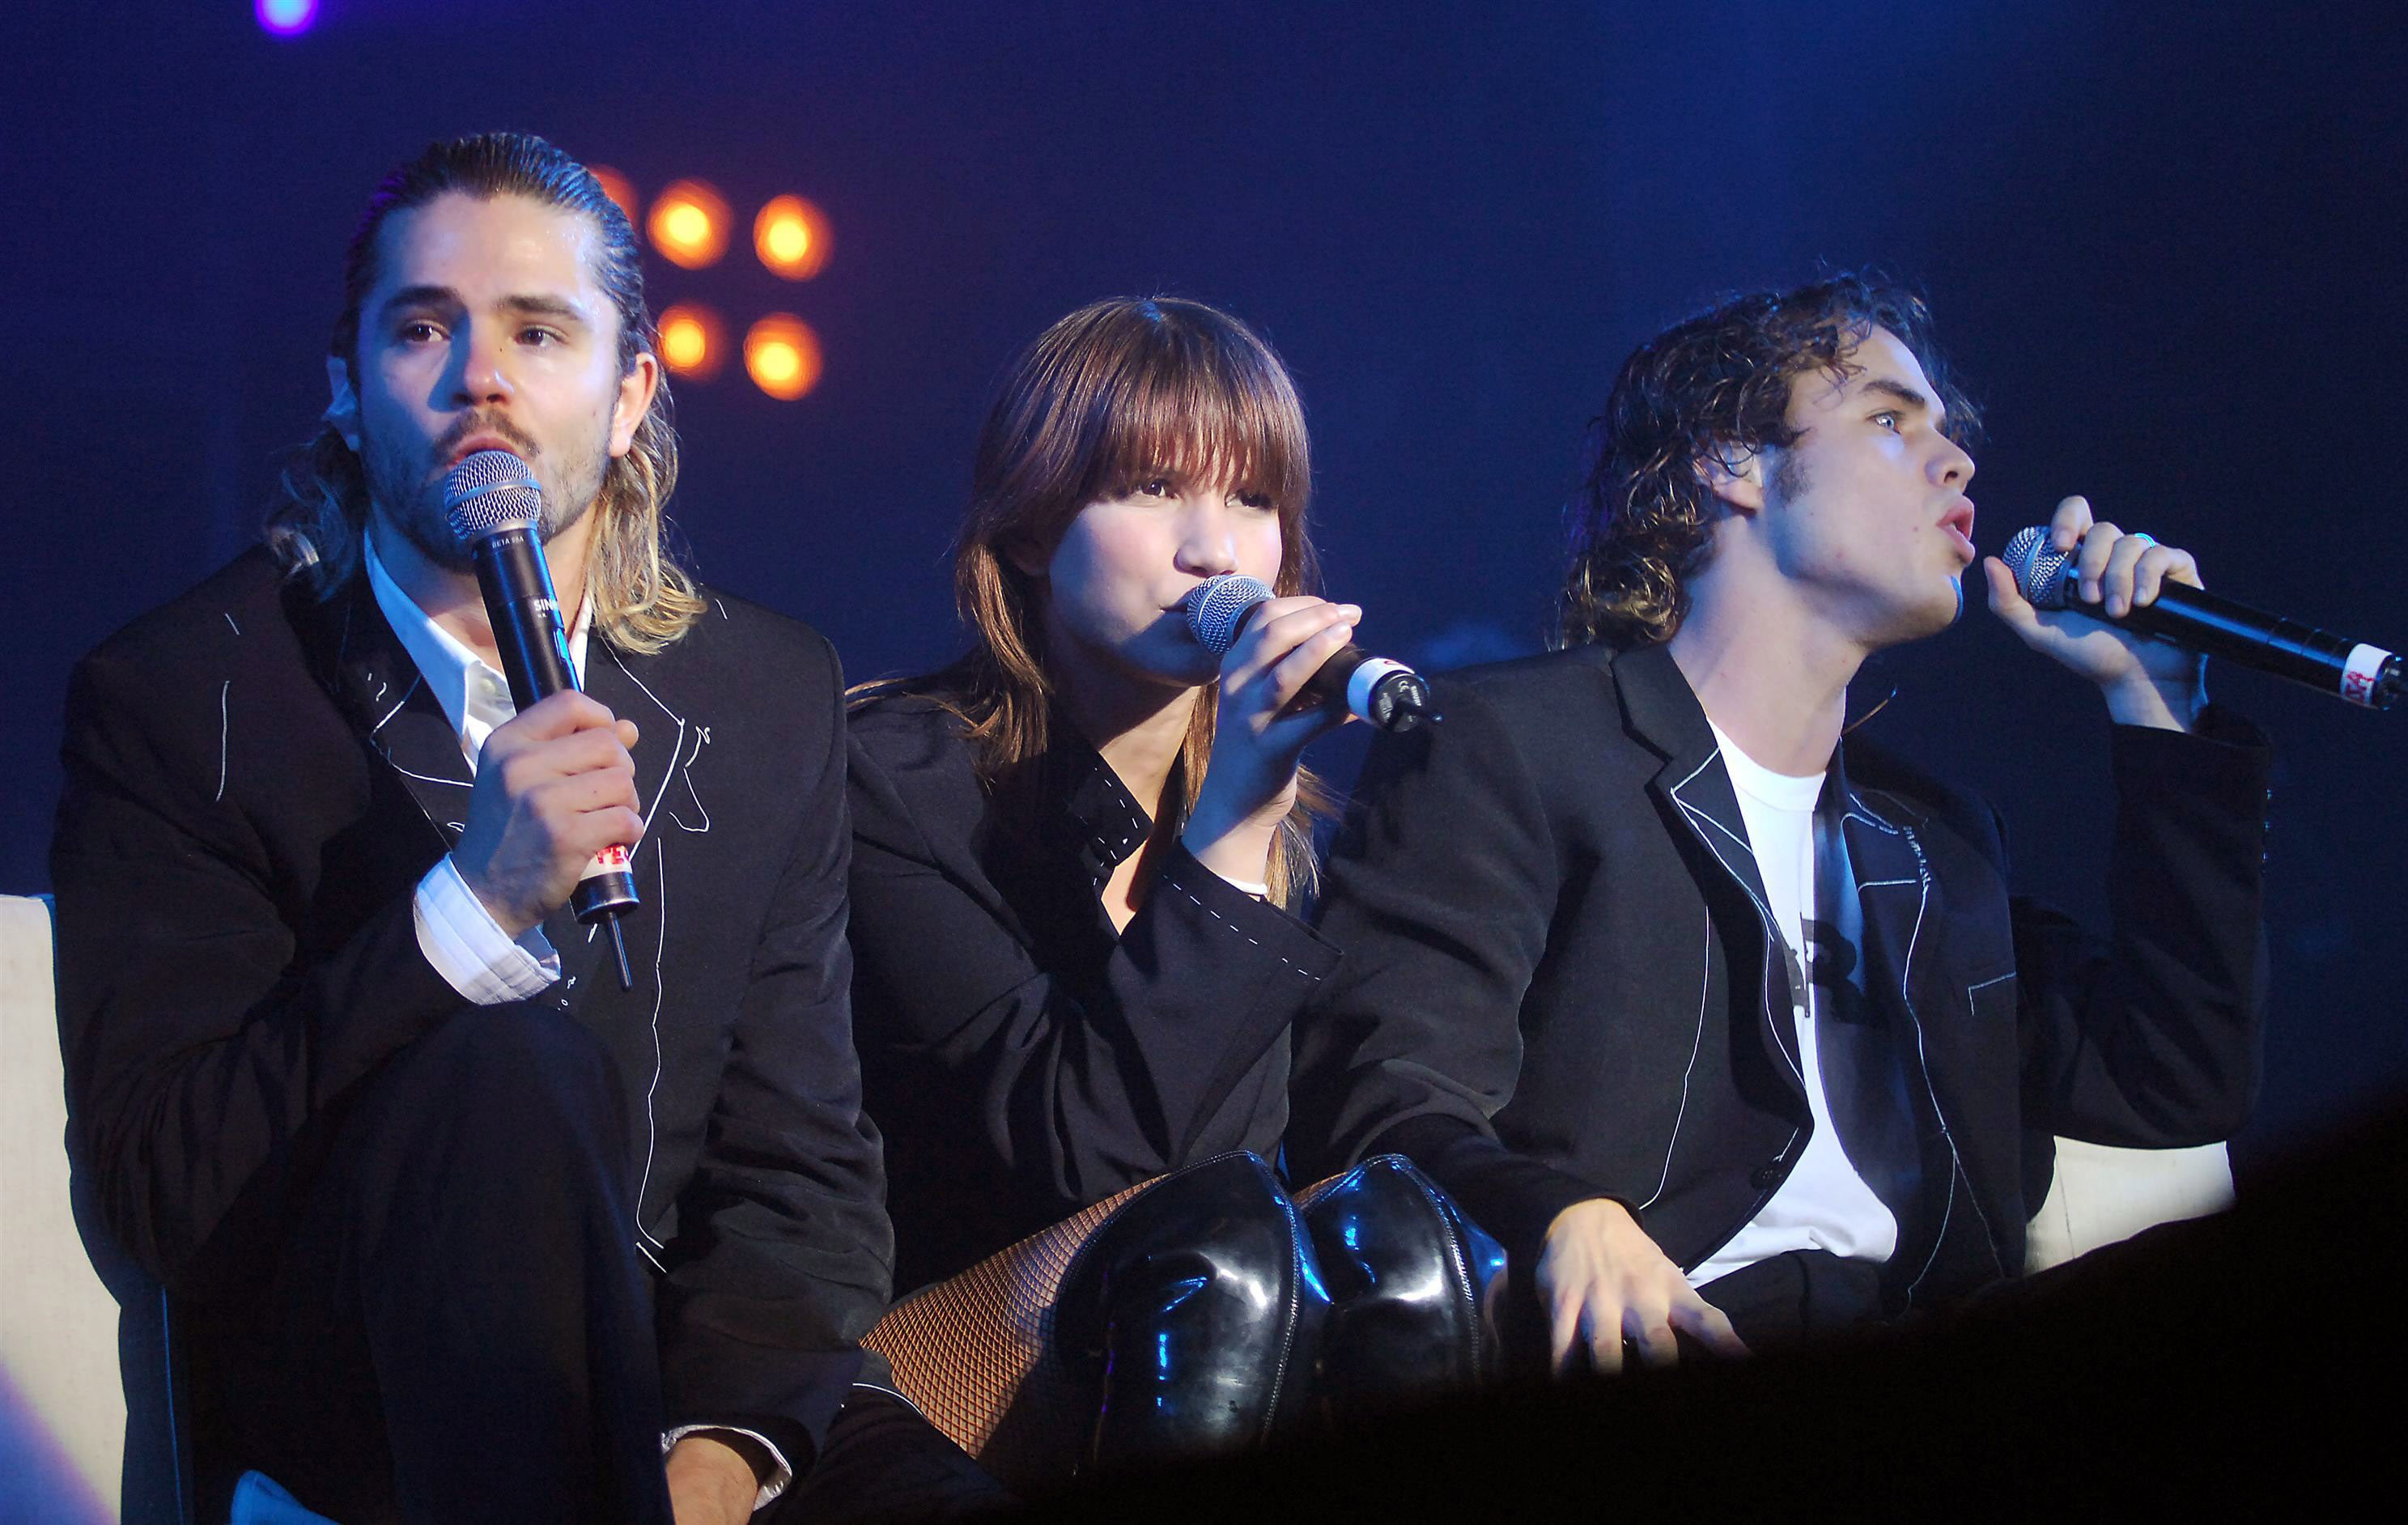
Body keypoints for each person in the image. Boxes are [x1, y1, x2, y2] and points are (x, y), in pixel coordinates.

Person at [50, 133, 984, 1525]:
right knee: (505, 1063)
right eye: (422, 327)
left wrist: (715, 1464)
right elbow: (157, 1196)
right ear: (350, 393)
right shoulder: (189, 695)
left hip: (709, 1398)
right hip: (370, 1411)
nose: (478, 374)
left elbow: (802, 1167)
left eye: (538, 332)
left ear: (629, 398)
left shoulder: (766, 689)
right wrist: (472, 904)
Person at [1290, 274, 2270, 1372]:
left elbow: (2175, 1087)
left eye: (1948, 431)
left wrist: (2157, 706)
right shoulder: (1512, 743)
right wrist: (1562, 1213)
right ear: (1732, 460)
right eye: (1891, 420)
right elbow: (1380, 1097)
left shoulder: (1933, 840)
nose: (1958, 463)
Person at [847, 298, 1493, 1476]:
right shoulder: (895, 779)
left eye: (1253, 501)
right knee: (1228, 1249)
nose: (1218, 551)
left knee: (1406, 1242)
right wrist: (1236, 816)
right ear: (1035, 528)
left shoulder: (1283, 832)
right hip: (931, 1359)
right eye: (1153, 492)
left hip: (1196, 1338)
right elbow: (1092, 1163)